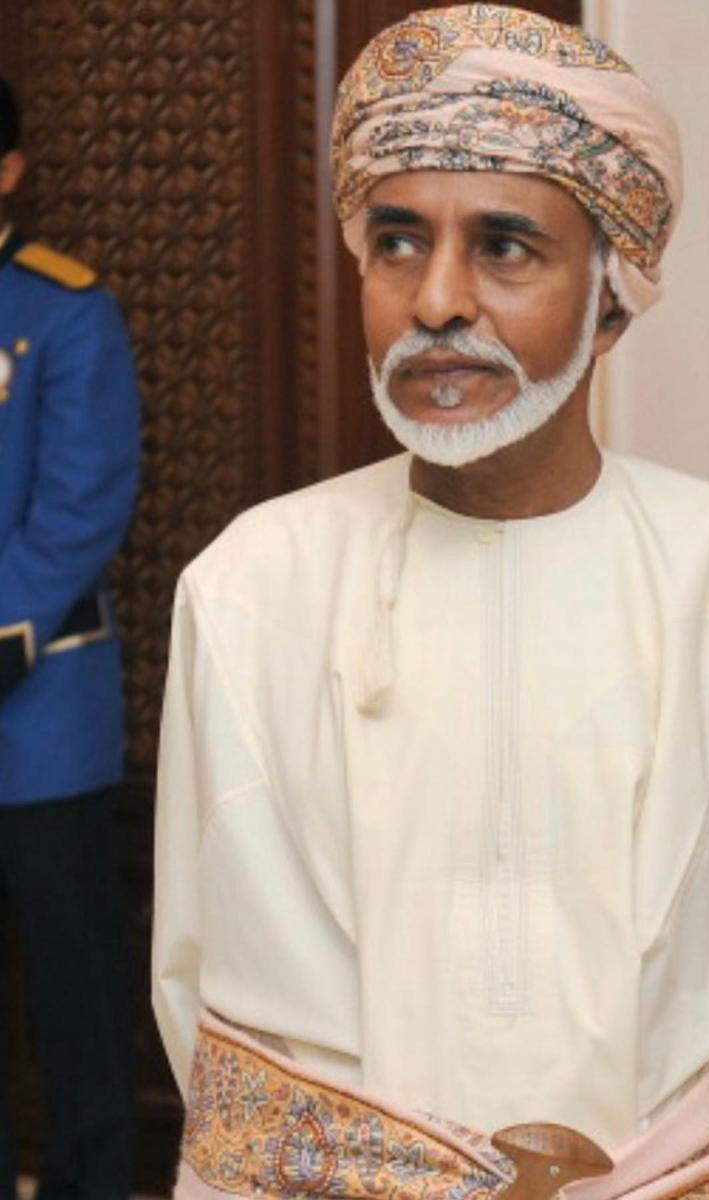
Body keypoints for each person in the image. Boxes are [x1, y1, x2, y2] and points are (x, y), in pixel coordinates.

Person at [152, 7, 709, 1200]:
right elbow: (210, 1004)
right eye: (397, 243)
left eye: (507, 247)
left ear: (612, 296)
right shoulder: (254, 584)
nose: (436, 302)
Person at [0, 75, 139, 1200]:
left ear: (7, 173)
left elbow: (82, 501)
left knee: (74, 985)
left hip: (36, 710)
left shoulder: (63, 307)